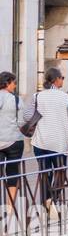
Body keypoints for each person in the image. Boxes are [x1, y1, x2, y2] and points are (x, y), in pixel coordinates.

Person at [22, 66, 68, 214]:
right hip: (60, 142)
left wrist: (41, 118)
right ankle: (53, 200)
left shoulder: (37, 96)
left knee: (44, 173)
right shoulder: (66, 98)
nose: (63, 80)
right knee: (60, 173)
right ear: (56, 79)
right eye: (62, 78)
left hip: (41, 141)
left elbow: (27, 116)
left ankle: (46, 202)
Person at [0, 72, 24, 214]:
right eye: (14, 83)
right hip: (14, 141)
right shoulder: (16, 100)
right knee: (13, 172)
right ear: (7, 82)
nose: (15, 86)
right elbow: (21, 122)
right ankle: (9, 207)